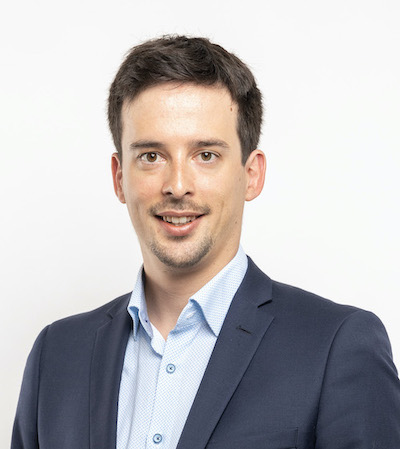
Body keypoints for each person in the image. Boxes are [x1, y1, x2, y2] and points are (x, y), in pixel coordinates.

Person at [12, 35, 400, 449]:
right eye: (151, 156)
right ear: (119, 177)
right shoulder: (56, 356)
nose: (177, 185)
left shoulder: (336, 347)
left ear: (251, 174)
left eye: (206, 155)